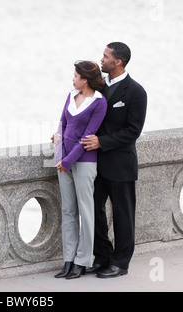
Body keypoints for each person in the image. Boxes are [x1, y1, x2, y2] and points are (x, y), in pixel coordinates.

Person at [80, 42, 147, 278]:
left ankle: (121, 263)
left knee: (123, 215)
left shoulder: (136, 92)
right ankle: (103, 257)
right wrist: (63, 135)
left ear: (118, 61)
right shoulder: (98, 87)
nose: (102, 59)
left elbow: (133, 130)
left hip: (121, 163)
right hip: (94, 163)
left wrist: (102, 142)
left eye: (106, 56)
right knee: (94, 211)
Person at [51, 60, 107, 279]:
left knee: (86, 211)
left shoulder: (99, 102)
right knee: (68, 210)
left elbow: (88, 137)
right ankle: (68, 259)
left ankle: (82, 261)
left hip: (83, 161)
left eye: (75, 76)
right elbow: (63, 123)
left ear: (85, 79)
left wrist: (68, 161)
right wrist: (58, 144)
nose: (72, 79)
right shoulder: (71, 95)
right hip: (63, 159)